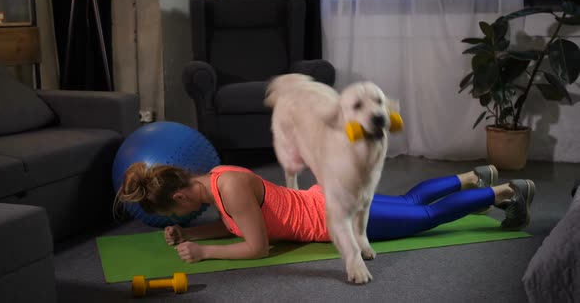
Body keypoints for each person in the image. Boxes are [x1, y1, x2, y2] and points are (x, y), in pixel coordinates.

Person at [114, 163, 535, 263]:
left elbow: (258, 246)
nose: (185, 217)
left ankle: (505, 194)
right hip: (328, 200)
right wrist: (194, 237)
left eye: (178, 214)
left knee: (425, 219)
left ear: (180, 198)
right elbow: (234, 223)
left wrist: (205, 254)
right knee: (410, 202)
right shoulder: (216, 180)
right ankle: (472, 177)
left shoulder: (231, 188)